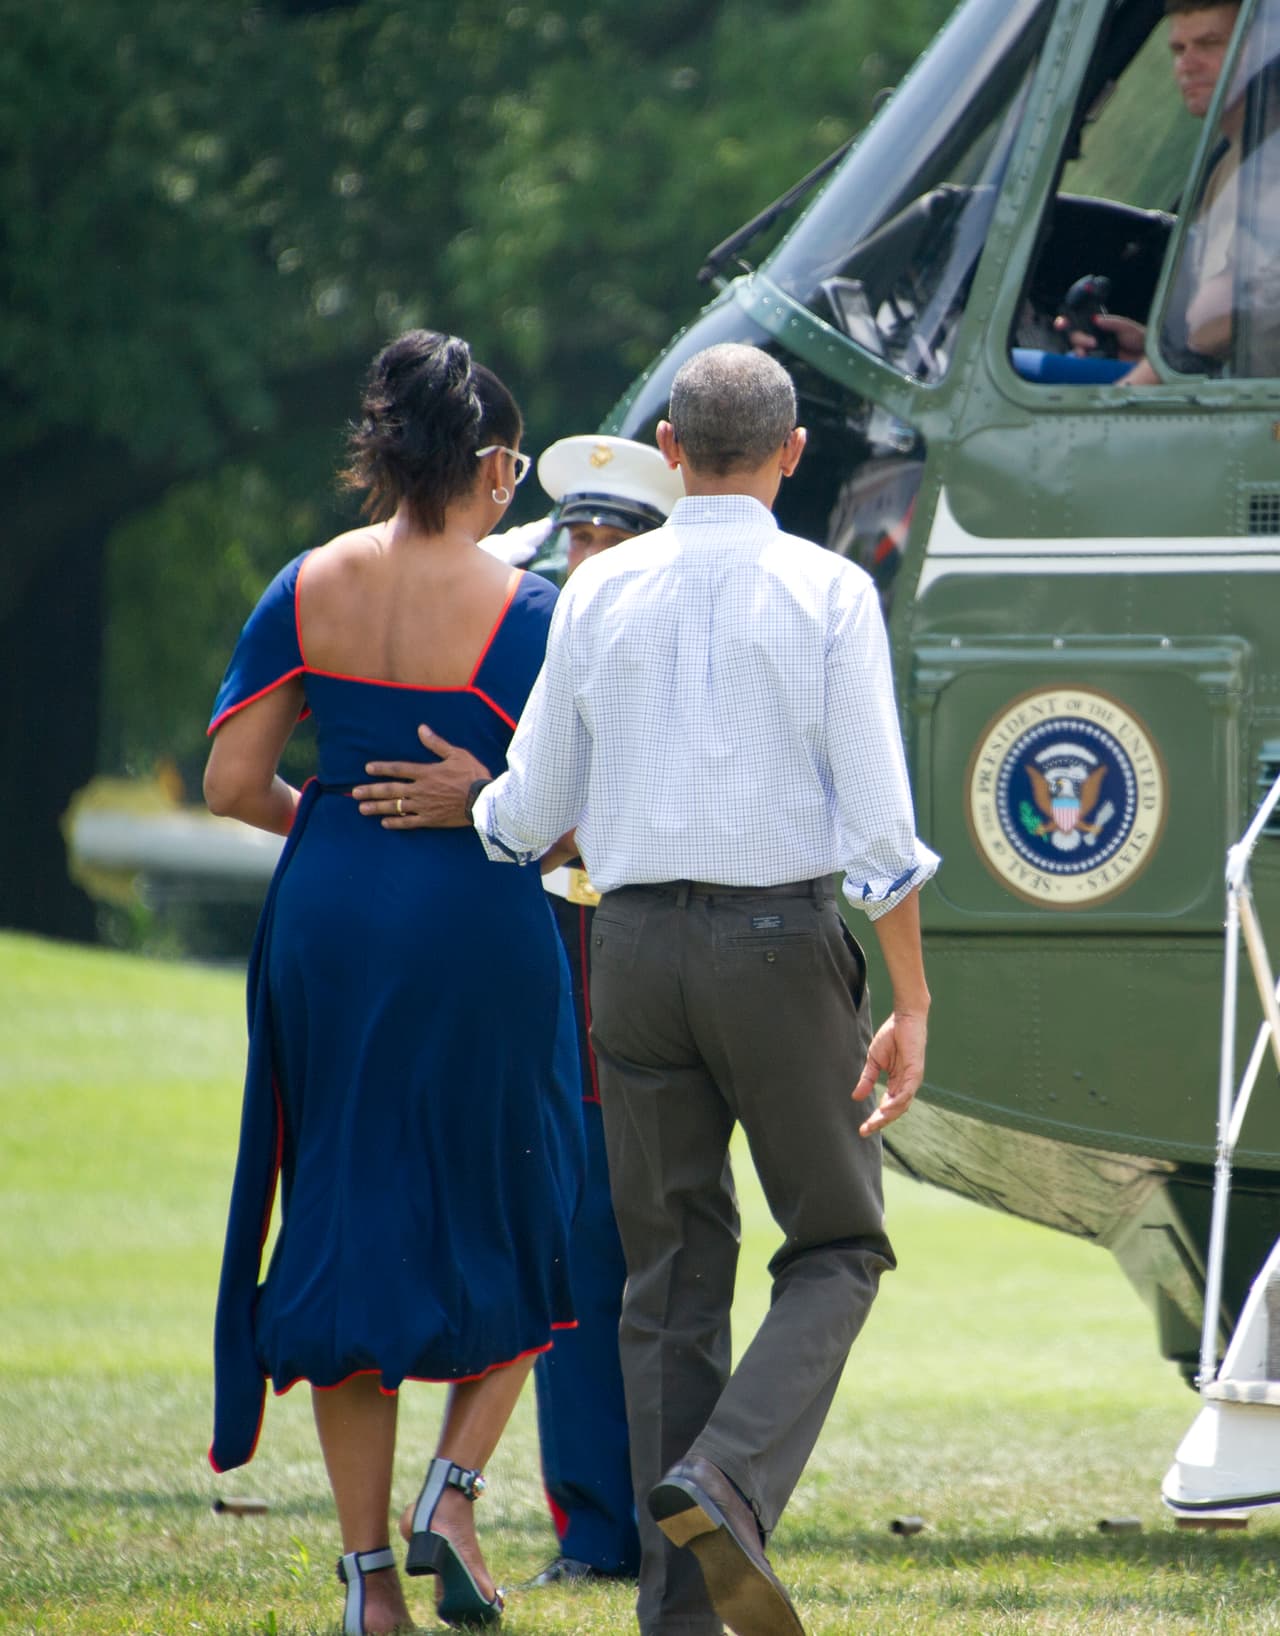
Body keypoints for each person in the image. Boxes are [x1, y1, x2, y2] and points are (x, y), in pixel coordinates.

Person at [360, 342, 939, 1636]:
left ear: (669, 452)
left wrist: (480, 810)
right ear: (793, 454)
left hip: (626, 952)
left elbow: (528, 814)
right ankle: (726, 1478)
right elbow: (882, 837)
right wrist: (909, 1002)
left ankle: (676, 1616)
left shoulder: (596, 591)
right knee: (838, 1243)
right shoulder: (831, 591)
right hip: (779, 946)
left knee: (668, 1273)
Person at [202, 329, 583, 1636]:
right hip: (476, 922)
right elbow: (574, 826)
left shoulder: (306, 584)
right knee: (531, 1197)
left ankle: (368, 1580)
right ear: (492, 467)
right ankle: (454, 1493)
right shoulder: (532, 612)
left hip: (327, 918)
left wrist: (337, 825)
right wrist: (481, 807)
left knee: (344, 1216)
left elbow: (232, 784)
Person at [355, 434, 684, 1591]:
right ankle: (595, 1524)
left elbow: (658, 810)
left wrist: (487, 801)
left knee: (668, 1243)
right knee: (575, 1237)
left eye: (609, 539)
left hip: (650, 958)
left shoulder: (668, 644)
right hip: (547, 967)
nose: (585, 558)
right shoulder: (531, 629)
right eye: (577, 536)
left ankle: (682, 1512)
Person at [1059, 1, 1242, 381]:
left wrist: (1133, 387)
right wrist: (1150, 350)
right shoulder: (1234, 157)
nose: (1187, 64)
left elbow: (1222, 318)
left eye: (1209, 44)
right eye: (1178, 49)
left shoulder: (1267, 163)